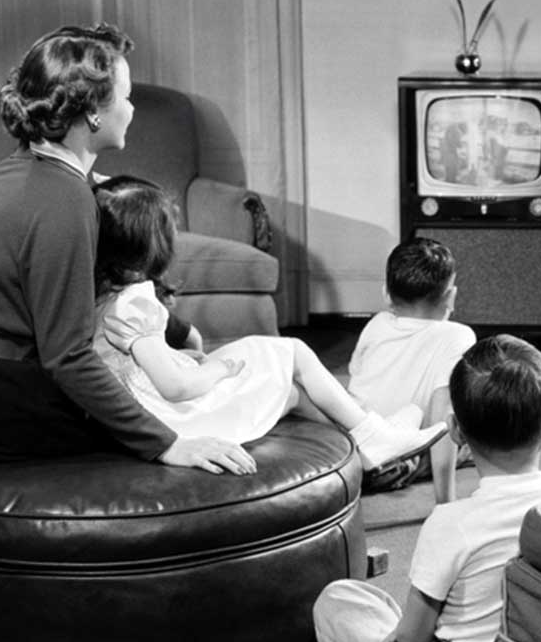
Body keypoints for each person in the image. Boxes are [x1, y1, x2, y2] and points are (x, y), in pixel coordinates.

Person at [0, 24, 253, 608]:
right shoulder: (63, 201)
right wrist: (165, 445)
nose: (132, 109)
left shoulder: (27, 167)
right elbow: (67, 356)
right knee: (167, 413)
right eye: (126, 97)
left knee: (139, 395)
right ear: (92, 114)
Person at [92, 175, 446, 466]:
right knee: (293, 352)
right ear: (156, 246)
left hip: (161, 413)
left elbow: (144, 365)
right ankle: (372, 435)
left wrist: (182, 358)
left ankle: (371, 436)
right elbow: (177, 388)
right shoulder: (136, 302)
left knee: (291, 391)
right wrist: (217, 370)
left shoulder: (104, 297)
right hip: (179, 420)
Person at [313, 334, 541, 642]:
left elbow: (413, 637)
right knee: (377, 607)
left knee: (338, 601)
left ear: (455, 430)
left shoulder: (451, 523)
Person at [347, 237, 476, 500]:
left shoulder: (376, 324)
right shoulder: (458, 336)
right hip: (402, 457)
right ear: (451, 297)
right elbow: (444, 415)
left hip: (354, 448)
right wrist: (445, 503)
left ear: (386, 293)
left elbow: (356, 379)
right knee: (491, 431)